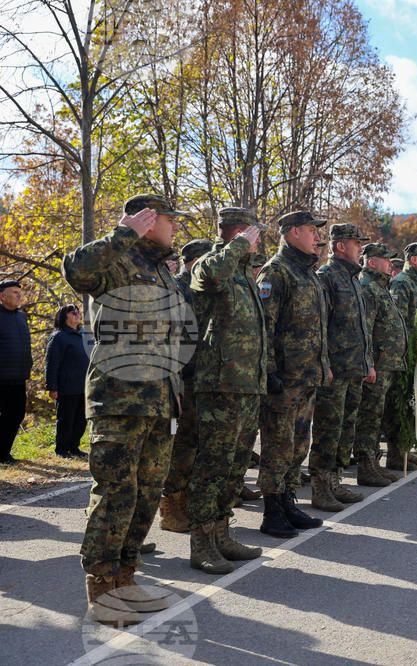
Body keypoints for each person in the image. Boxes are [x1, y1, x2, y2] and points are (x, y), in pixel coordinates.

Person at [62, 193, 186, 626]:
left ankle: (126, 579)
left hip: (159, 400)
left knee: (146, 495)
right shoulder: (114, 258)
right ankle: (102, 585)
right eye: (170, 220)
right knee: (117, 493)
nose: (175, 228)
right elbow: (77, 270)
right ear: (148, 221)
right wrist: (122, 232)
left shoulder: (159, 270)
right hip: (118, 398)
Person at [185, 207, 270, 573]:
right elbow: (207, 277)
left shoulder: (245, 274)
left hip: (247, 383)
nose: (259, 240)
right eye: (255, 233)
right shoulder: (211, 262)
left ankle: (221, 534)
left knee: (235, 466)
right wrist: (237, 245)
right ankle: (201, 544)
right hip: (219, 383)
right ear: (239, 232)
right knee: (213, 466)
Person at [256, 210, 331, 539]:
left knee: (299, 444)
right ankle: (272, 512)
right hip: (283, 380)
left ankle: (287, 501)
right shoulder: (276, 271)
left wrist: (323, 365)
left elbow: (317, 329)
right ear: (293, 232)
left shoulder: (309, 273)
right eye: (313, 230)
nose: (318, 236)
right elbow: (264, 328)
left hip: (307, 378)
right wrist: (270, 372)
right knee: (277, 446)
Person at [313, 223, 376, 508]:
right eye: (356, 243)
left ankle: (335, 480)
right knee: (329, 428)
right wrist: (324, 363)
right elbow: (320, 326)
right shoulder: (327, 276)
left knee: (346, 427)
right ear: (340, 246)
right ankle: (321, 487)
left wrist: (368, 363)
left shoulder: (353, 278)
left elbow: (363, 327)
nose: (360, 248)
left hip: (354, 368)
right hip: (335, 369)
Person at [159, 238, 214, 533]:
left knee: (193, 445)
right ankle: (169, 508)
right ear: (193, 261)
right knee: (179, 446)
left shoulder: (197, 289)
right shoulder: (177, 288)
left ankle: (184, 500)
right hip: (181, 381)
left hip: (200, 379)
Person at [355, 243, 410, 474]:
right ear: (372, 262)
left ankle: (378, 462)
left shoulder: (381, 286)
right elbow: (364, 329)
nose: (390, 264)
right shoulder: (368, 287)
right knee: (370, 418)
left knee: (382, 415)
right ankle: (367, 467)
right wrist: (368, 362)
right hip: (377, 365)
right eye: (386, 260)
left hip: (388, 364)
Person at [386, 242, 417, 460]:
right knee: (400, 403)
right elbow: (398, 323)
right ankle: (397, 454)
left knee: (412, 402)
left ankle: (405, 450)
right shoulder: (401, 283)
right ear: (413, 260)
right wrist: (409, 350)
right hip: (405, 354)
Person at [44, 304, 91, 459]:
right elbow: (52, 364)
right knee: (66, 420)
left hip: (84, 386)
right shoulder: (58, 337)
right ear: (64, 316)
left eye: (78, 312)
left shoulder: (84, 335)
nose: (77, 314)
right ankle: (62, 450)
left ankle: (74, 447)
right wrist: (52, 387)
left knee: (81, 420)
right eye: (73, 312)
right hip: (66, 387)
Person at [1, 280, 32, 465]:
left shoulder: (21, 317)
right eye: (14, 292)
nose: (19, 295)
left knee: (15, 416)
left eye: (19, 292)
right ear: (1, 296)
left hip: (19, 378)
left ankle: (3, 454)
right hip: (1, 378)